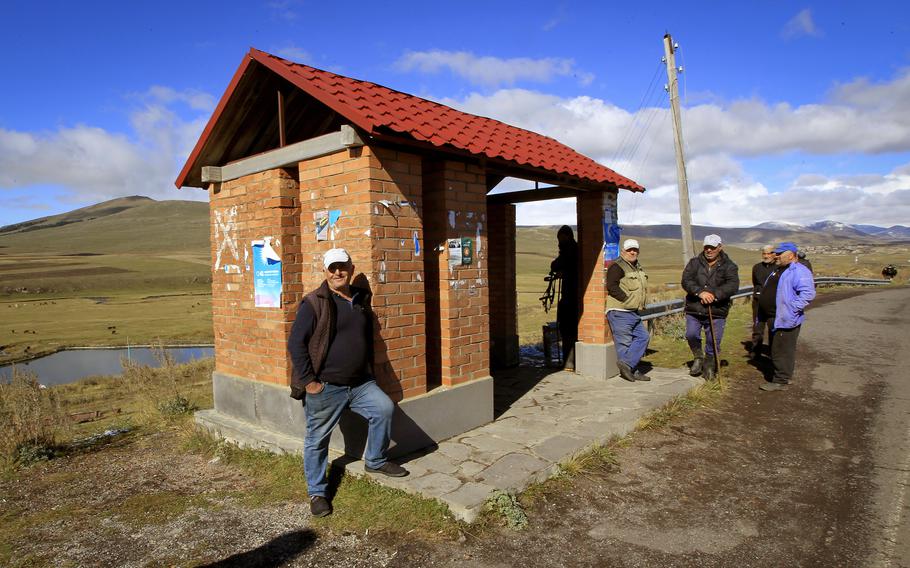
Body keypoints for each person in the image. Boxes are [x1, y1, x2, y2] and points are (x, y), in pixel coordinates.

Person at [288, 248, 408, 518]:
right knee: (317, 439)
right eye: (332, 268)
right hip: (326, 386)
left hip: (361, 383)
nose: (337, 272)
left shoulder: (360, 298)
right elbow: (296, 344)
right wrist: (310, 382)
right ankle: (317, 492)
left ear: (351, 269)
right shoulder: (314, 302)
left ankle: (375, 460)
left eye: (342, 267)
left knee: (384, 409)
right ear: (325, 272)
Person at [758, 242, 816, 391]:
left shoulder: (799, 271)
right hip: (775, 317)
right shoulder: (779, 269)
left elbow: (808, 294)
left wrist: (792, 308)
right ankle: (784, 376)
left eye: (779, 254)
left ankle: (780, 380)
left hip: (786, 317)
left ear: (790, 255)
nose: (775, 256)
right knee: (778, 347)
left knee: (781, 350)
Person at [681, 234, 740, 380]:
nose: (709, 250)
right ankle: (698, 357)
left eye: (712, 247)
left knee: (713, 340)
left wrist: (713, 295)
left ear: (720, 247)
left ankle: (709, 365)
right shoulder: (694, 263)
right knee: (691, 334)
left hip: (717, 310)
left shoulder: (730, 266)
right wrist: (700, 292)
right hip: (694, 308)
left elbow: (732, 286)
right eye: (707, 247)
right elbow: (686, 281)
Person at [606, 239, 651, 382]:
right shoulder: (617, 266)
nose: (633, 252)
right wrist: (627, 299)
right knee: (624, 343)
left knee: (643, 337)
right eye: (630, 250)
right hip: (620, 311)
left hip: (632, 311)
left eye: (635, 250)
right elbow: (612, 286)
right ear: (623, 251)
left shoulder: (636, 267)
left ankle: (629, 366)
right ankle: (631, 370)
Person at [550, 225, 579, 371]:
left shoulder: (569, 249)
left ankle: (569, 362)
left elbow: (556, 264)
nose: (560, 241)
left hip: (570, 296)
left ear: (567, 237)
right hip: (572, 295)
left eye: (561, 238)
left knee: (567, 327)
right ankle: (571, 361)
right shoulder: (574, 248)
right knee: (569, 328)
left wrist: (560, 269)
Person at [750, 245, 777, 359]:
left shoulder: (778, 268)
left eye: (769, 253)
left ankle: (773, 354)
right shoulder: (756, 267)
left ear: (774, 254)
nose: (766, 256)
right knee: (757, 329)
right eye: (764, 253)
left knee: (773, 329)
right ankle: (755, 353)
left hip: (773, 304)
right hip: (758, 303)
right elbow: (755, 283)